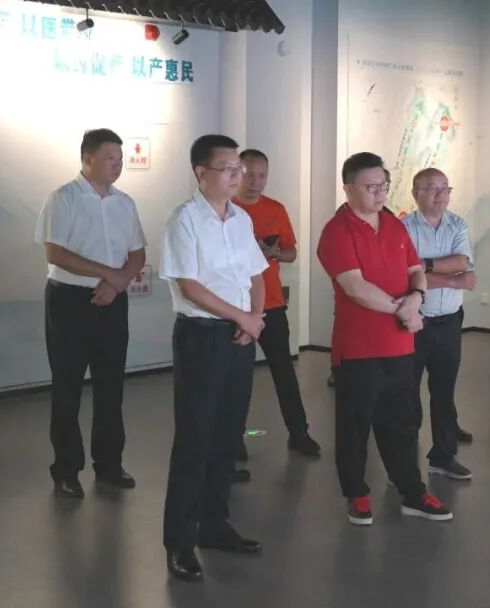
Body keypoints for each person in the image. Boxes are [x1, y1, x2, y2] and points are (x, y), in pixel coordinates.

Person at [317, 152, 453, 526]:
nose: (380, 193)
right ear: (348, 188)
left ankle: (412, 491)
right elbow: (355, 287)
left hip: (400, 346)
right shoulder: (337, 231)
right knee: (355, 426)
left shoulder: (394, 224)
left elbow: (416, 269)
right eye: (371, 187)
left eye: (384, 186)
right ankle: (357, 493)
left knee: (403, 423)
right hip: (358, 348)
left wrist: (417, 297)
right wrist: (403, 310)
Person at [160, 134, 268, 582]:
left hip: (239, 336)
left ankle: (214, 525)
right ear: (202, 173)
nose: (237, 175)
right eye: (229, 168)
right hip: (202, 337)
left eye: (239, 168)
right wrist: (243, 317)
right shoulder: (184, 220)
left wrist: (254, 318)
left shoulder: (241, 218)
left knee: (227, 436)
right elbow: (190, 287)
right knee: (195, 439)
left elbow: (257, 274)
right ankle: (179, 541)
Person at [34, 128, 146, 498]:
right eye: (110, 157)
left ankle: (109, 464)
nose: (118, 164)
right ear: (87, 159)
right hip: (69, 301)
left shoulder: (124, 202)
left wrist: (117, 283)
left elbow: (137, 253)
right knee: (67, 388)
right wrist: (108, 274)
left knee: (111, 387)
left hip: (112, 301)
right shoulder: (62, 198)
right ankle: (66, 470)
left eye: (121, 158)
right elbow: (56, 253)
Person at [233, 149, 321, 460]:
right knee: (237, 377)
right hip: (236, 306)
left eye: (262, 175)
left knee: (284, 372)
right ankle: (233, 438)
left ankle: (299, 432)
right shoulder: (227, 209)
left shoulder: (275, 209)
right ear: (238, 173)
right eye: (250, 174)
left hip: (271, 303)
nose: (256, 181)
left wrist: (272, 253)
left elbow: (291, 252)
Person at [403, 168, 476, 480]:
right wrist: (452, 279)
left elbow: (463, 262)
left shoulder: (458, 225)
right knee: (407, 393)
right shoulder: (404, 228)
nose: (440, 194)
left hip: (449, 322)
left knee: (444, 391)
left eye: (445, 188)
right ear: (415, 193)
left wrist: (425, 266)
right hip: (414, 322)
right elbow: (406, 276)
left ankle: (443, 456)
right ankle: (404, 461)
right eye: (432, 188)